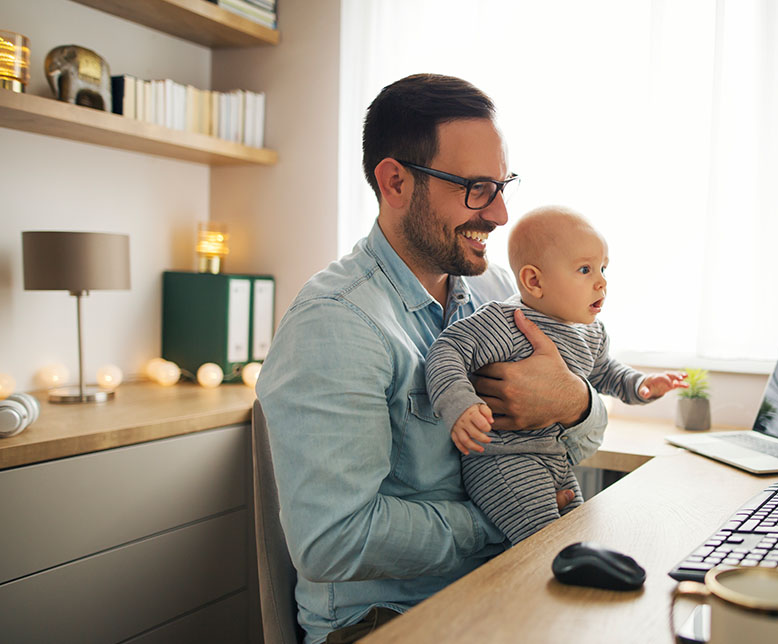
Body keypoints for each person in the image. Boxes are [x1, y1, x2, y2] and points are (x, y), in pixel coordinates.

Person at [256, 75, 610, 644]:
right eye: (475, 188)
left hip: (502, 587)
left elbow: (576, 432)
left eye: (500, 185)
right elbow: (334, 540)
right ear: (395, 182)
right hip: (386, 621)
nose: (499, 214)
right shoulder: (336, 324)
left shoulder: (503, 292)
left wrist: (576, 403)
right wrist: (508, 515)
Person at [425, 206, 687, 544]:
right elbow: (446, 350)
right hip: (504, 461)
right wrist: (458, 404)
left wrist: (641, 385)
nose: (602, 281)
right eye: (585, 269)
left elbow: (606, 372)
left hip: (556, 459)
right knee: (547, 544)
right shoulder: (506, 322)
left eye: (603, 268)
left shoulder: (591, 333)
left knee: (577, 531)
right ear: (534, 281)